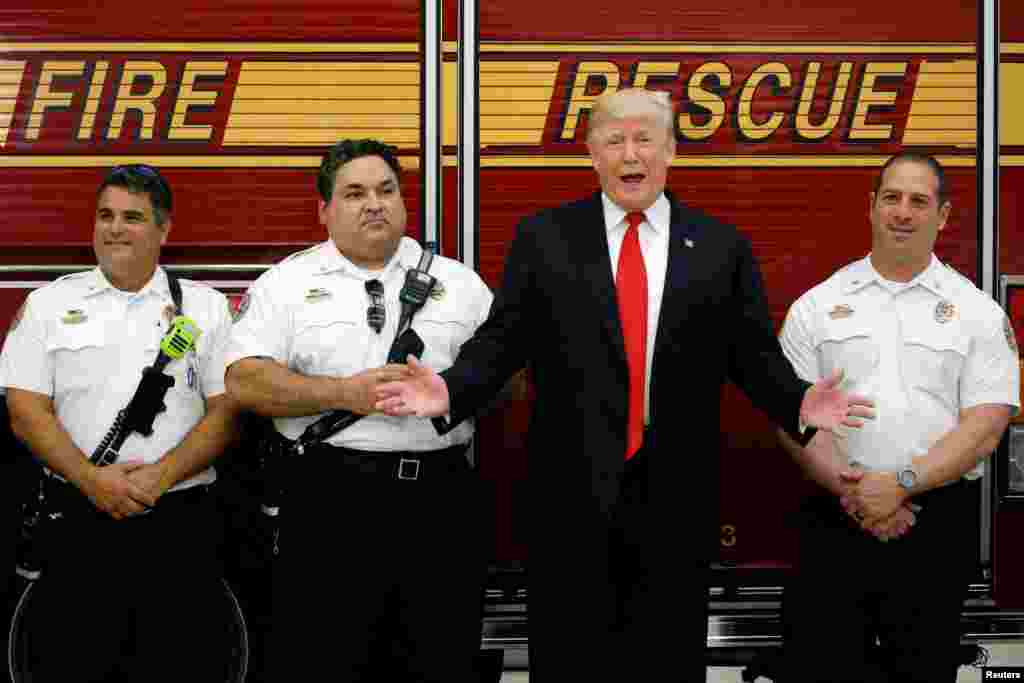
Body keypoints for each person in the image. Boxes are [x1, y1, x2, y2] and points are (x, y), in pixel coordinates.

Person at [375, 87, 873, 682]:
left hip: (676, 505)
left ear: (671, 151)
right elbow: (504, 340)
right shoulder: (546, 238)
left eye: (645, 139)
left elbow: (753, 356)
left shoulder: (720, 246)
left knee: (666, 660)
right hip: (569, 504)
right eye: (615, 141)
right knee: (569, 660)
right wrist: (452, 392)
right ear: (592, 153)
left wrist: (799, 400)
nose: (630, 154)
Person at [224, 138, 495, 682]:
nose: (374, 203)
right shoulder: (288, 283)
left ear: (403, 201)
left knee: (440, 659)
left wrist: (450, 388)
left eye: (385, 190)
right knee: (325, 660)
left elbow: (510, 377)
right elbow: (243, 380)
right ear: (324, 211)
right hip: (330, 499)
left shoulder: (460, 284)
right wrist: (345, 394)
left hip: (441, 502)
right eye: (354, 193)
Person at [776, 152, 1019, 682]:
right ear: (871, 207)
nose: (902, 213)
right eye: (891, 198)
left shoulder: (976, 312)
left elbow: (986, 425)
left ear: (944, 216)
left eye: (918, 201)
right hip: (835, 520)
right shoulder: (815, 307)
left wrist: (903, 485)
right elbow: (791, 418)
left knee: (923, 671)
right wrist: (857, 494)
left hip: (935, 526)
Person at [0, 164, 239, 683]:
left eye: (132, 217)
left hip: (180, 519)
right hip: (80, 517)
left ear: (163, 229)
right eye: (105, 215)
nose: (114, 228)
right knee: (75, 661)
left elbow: (227, 414)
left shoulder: (207, 307)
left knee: (180, 662)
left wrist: (161, 476)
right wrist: (91, 480)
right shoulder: (48, 306)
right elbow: (24, 410)